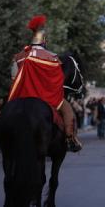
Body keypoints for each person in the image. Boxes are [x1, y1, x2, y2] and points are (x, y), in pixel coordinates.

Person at [8, 15, 82, 152]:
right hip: (46, 98)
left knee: (4, 115)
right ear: (44, 40)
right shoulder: (52, 57)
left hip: (22, 98)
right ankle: (71, 138)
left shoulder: (18, 56)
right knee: (68, 111)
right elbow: (57, 80)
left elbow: (13, 78)